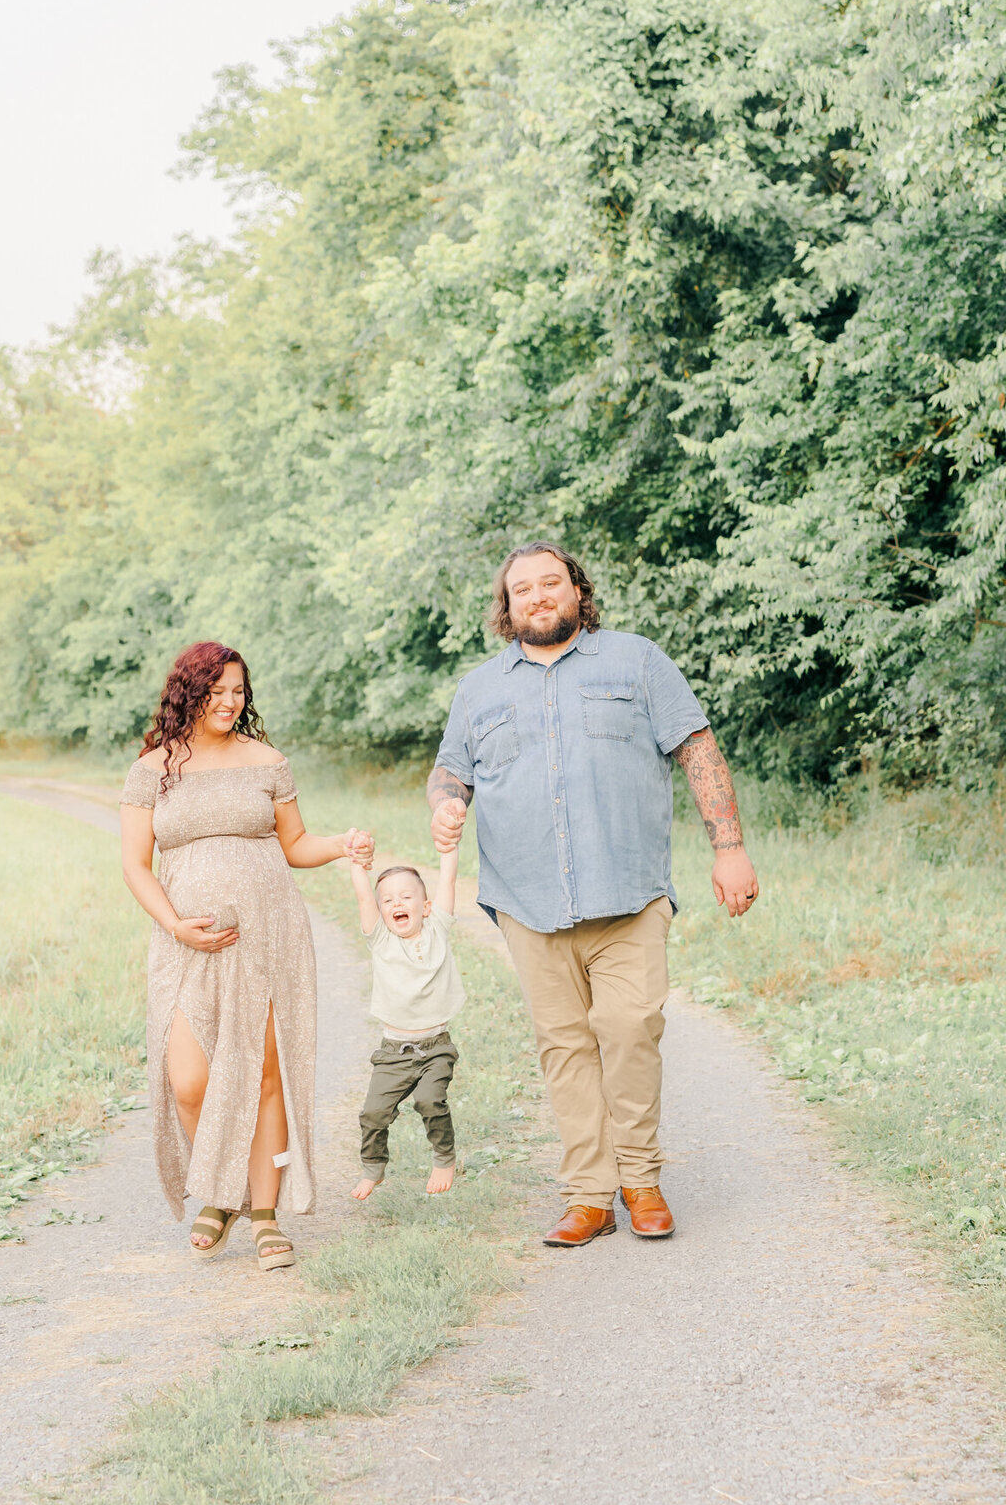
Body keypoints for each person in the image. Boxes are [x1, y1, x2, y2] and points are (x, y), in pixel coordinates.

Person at [427, 542, 759, 1249]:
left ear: (578, 591)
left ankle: (640, 1180)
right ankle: (588, 1196)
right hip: (527, 902)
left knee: (630, 1029)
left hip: (628, 893)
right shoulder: (479, 689)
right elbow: (450, 773)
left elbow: (696, 748)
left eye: (553, 583)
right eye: (524, 590)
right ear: (507, 607)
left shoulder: (636, 661)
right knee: (565, 1046)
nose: (539, 597)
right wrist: (446, 804)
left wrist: (728, 847)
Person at [120, 640, 374, 1271]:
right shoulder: (155, 768)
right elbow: (134, 865)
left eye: (238, 691)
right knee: (189, 1080)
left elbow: (295, 845)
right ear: (190, 691)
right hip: (187, 945)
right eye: (217, 691)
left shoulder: (267, 761)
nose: (229, 702)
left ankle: (262, 1214)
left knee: (263, 1078)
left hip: (269, 937)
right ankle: (222, 1187)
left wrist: (343, 843)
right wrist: (177, 925)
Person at [347, 844, 465, 1202]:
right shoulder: (381, 940)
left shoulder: (437, 930)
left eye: (406, 896)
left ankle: (444, 1158)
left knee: (430, 1101)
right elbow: (364, 899)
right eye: (389, 901)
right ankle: (373, 1167)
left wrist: (449, 847)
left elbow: (448, 879)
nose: (396, 904)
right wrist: (357, 863)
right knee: (372, 1114)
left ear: (426, 907)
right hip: (393, 1052)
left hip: (435, 1047)